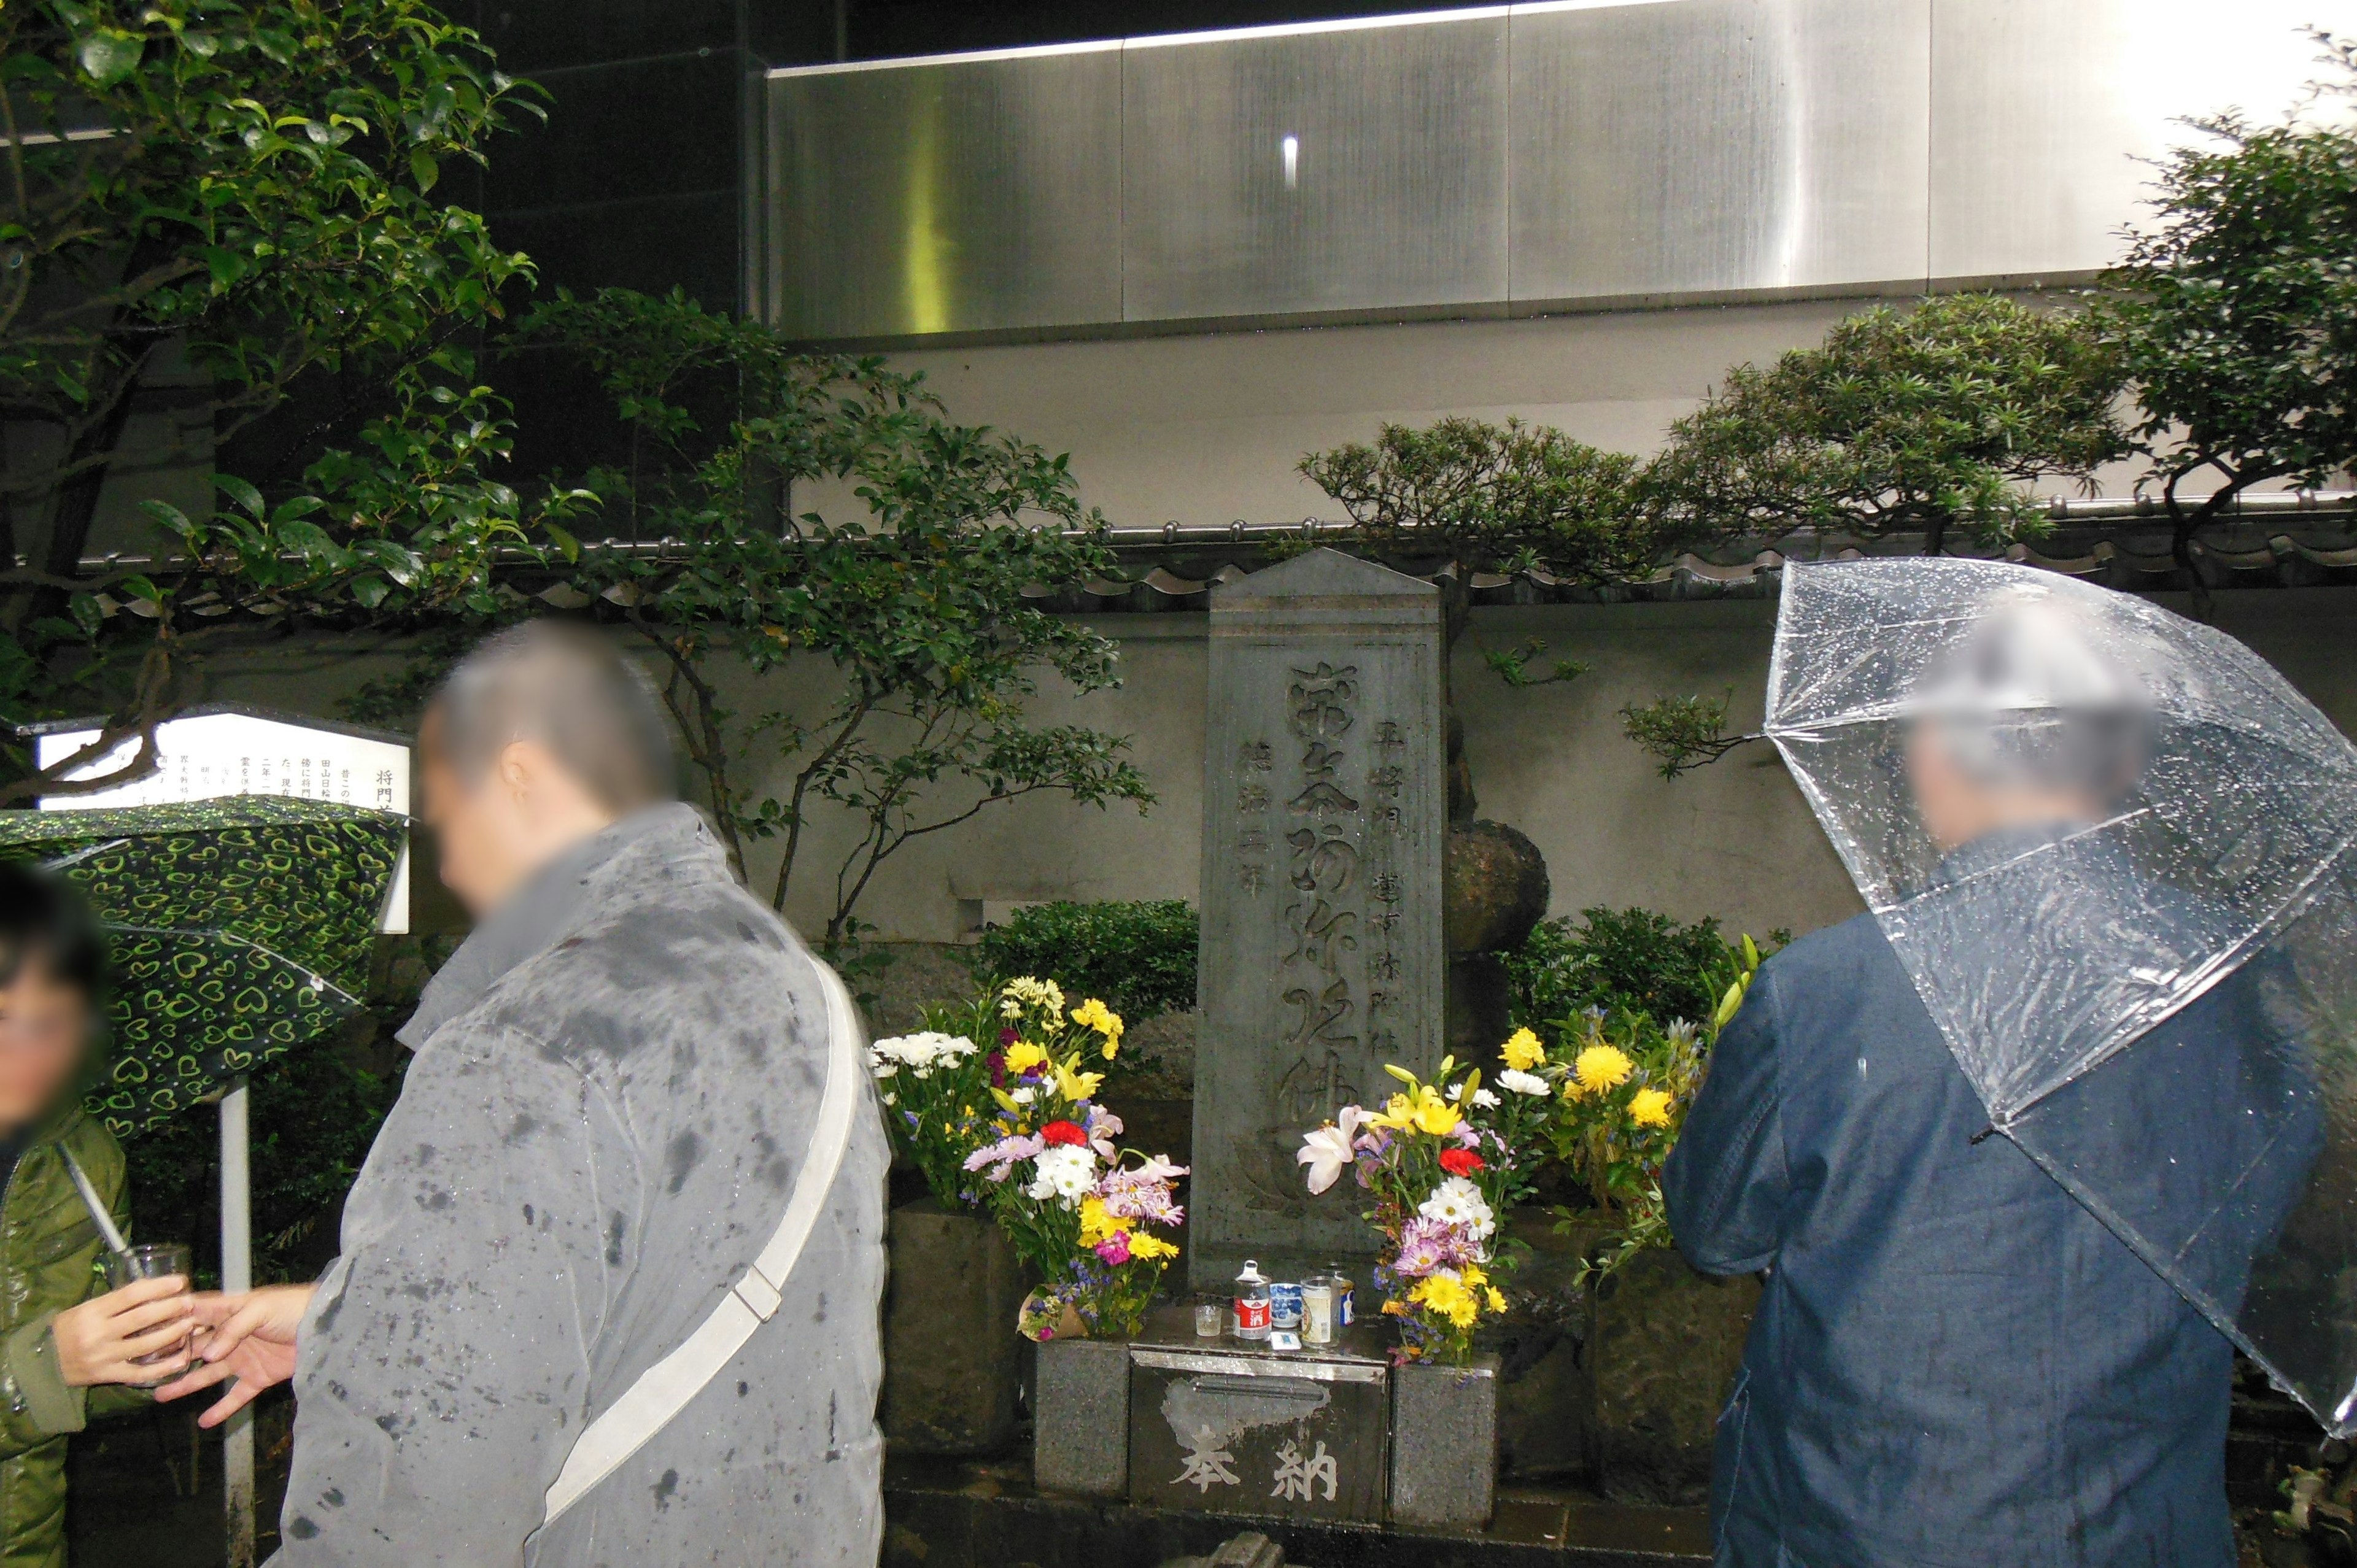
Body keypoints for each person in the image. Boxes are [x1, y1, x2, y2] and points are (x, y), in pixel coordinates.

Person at [160, 622, 888, 1564]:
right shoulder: (801, 990)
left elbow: (412, 1510)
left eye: (444, 812)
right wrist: (353, 1320)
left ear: (519, 775)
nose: (447, 862)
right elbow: (669, 1276)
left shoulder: (524, 1044)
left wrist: (405, 1366)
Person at [1664, 597, 2312, 1568]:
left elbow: (1717, 1233)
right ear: (2125, 763)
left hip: (1860, 1521)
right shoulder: (2236, 986)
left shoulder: (1829, 990)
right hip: (2147, 1526)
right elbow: (2267, 1206)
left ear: (1935, 750)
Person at [0, 862, 198, 1568]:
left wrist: (150, 1353)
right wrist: (47, 1368)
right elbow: (48, 1370)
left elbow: (79, 1378)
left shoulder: (84, 1155)